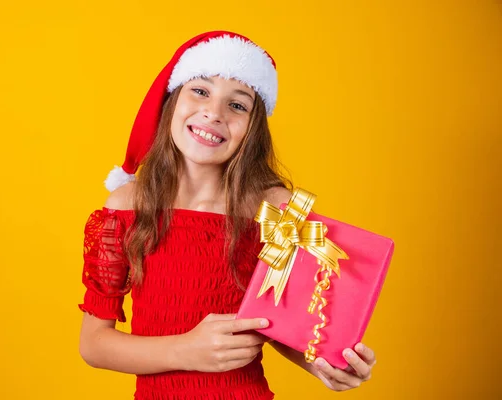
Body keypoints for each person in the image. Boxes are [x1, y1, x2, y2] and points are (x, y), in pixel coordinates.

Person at [77, 31, 377, 399]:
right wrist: (186, 350)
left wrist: (323, 362)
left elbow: (280, 322)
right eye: (200, 91)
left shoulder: (275, 209)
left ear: (253, 129)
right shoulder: (127, 207)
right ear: (172, 100)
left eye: (238, 105)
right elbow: (93, 344)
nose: (213, 113)